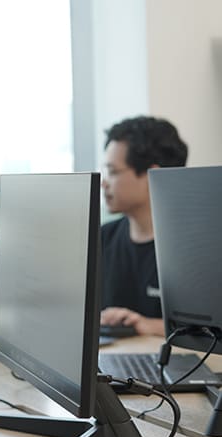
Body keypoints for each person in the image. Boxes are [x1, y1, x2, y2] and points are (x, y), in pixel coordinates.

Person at [100, 115, 188, 336]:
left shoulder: (195, 248)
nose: (104, 182)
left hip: (172, 366)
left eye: (114, 172)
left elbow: (210, 332)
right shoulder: (102, 239)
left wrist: (148, 325)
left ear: (152, 175)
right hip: (113, 362)